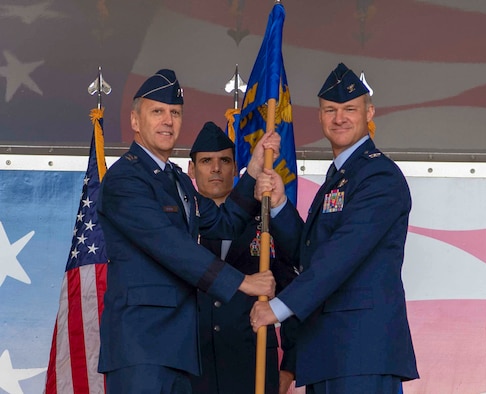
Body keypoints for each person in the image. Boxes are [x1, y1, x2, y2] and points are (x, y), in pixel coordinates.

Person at [96, 69, 280, 394]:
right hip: (142, 349)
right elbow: (172, 247)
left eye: (175, 113)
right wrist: (242, 282)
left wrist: (251, 172)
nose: (168, 121)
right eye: (158, 112)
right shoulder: (125, 179)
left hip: (180, 352)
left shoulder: (178, 181)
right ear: (135, 121)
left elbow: (225, 224)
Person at [250, 63, 419, 394]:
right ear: (320, 116)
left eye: (349, 109)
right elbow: (313, 253)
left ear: (369, 112)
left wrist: (278, 308)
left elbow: (341, 256)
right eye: (330, 109)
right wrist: (282, 204)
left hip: (362, 353)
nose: (339, 117)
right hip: (327, 354)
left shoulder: (379, 177)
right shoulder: (339, 178)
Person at [187, 121, 298, 394]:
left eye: (224, 160)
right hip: (193, 367)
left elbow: (295, 288)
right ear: (191, 169)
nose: (216, 168)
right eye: (206, 161)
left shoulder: (265, 219)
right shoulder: (180, 222)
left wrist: (291, 366)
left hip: (253, 364)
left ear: (236, 168)